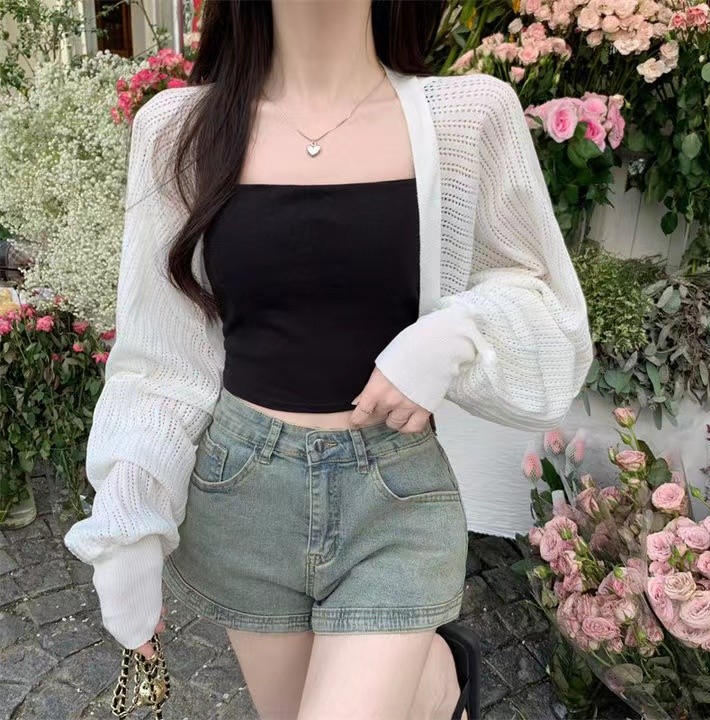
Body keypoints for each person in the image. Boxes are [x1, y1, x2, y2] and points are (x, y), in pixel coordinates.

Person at [63, 0, 595, 718]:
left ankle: (438, 676)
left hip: (393, 493)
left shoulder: (466, 118)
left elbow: (547, 307)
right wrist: (129, 520)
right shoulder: (179, 127)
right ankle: (440, 684)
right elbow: (162, 358)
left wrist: (456, 333)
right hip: (243, 496)